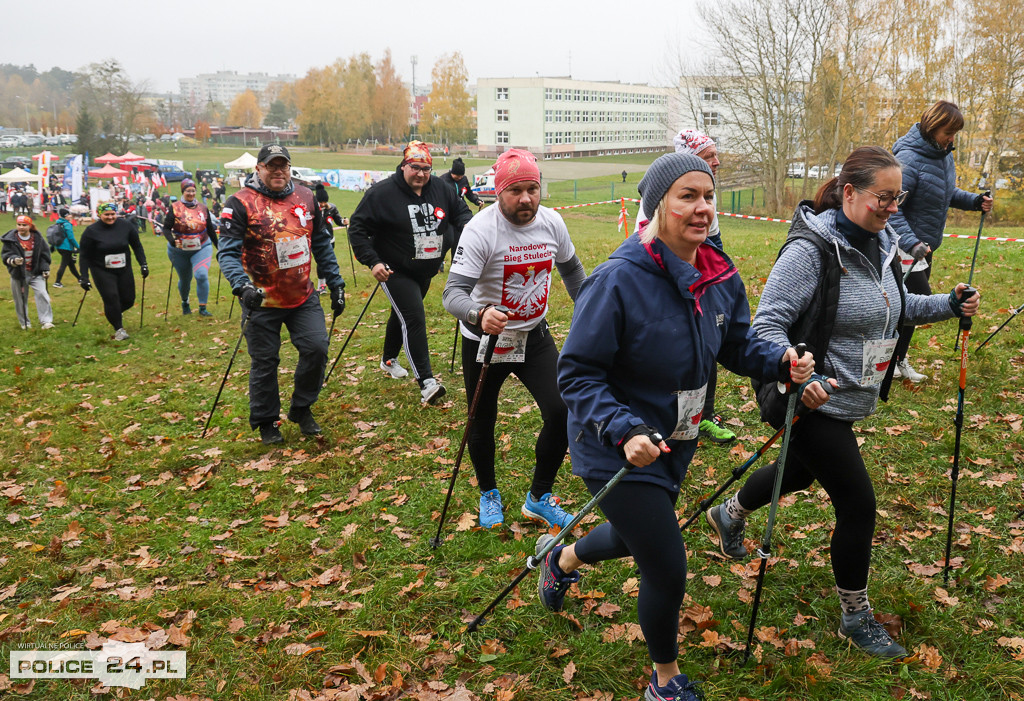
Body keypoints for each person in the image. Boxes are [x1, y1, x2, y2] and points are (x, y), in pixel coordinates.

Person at [547, 153, 814, 701]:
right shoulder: (618, 280)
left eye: (708, 196)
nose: (702, 208)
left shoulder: (716, 272)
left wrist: (780, 363)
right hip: (613, 444)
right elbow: (576, 372)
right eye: (687, 196)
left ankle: (562, 557)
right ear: (657, 206)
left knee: (635, 535)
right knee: (667, 562)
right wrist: (623, 429)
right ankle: (664, 683)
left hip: (674, 441)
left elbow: (737, 343)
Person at [705, 146, 980, 659]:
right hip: (806, 397)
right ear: (849, 192)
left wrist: (946, 303)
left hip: (850, 397)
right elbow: (766, 325)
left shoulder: (884, 243)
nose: (892, 207)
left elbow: (894, 308)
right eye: (884, 196)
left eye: (898, 198)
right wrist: (795, 367)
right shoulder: (811, 250)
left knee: (804, 472)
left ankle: (730, 513)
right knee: (858, 503)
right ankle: (855, 616)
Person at [442, 148, 588, 530]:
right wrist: (478, 313)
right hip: (486, 341)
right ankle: (488, 492)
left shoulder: (553, 223)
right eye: (515, 190)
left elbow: (573, 274)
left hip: (533, 336)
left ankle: (538, 498)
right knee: (481, 419)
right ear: (497, 191)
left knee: (562, 410)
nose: (526, 199)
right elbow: (452, 294)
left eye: (532, 189)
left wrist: (592, 309)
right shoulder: (480, 230)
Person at [217, 144, 346, 445]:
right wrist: (241, 286)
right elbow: (227, 253)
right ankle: (266, 421)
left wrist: (336, 283)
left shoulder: (305, 196)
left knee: (316, 349)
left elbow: (322, 243)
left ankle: (301, 409)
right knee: (265, 362)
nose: (278, 171)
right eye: (271, 165)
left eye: (283, 165)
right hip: (261, 299)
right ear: (258, 168)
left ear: (289, 168)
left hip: (302, 295)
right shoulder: (239, 203)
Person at [347, 141, 473, 405]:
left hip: (426, 268)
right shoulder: (381, 194)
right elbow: (357, 229)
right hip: (394, 269)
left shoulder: (442, 188)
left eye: (426, 168)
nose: (421, 174)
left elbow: (461, 214)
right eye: (415, 167)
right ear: (404, 165)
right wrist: (373, 262)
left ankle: (388, 359)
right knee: (414, 317)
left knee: (402, 313)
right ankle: (427, 382)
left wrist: (466, 235)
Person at [638, 129, 734, 444]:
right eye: (708, 156)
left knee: (708, 338)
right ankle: (651, 419)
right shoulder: (662, 195)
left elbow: (713, 244)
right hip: (661, 278)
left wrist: (718, 280)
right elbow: (645, 245)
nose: (717, 161)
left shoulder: (707, 198)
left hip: (695, 277)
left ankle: (703, 415)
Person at [889, 100, 993, 383]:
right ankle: (891, 362)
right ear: (933, 127)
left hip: (924, 248)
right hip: (903, 247)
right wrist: (911, 243)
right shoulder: (909, 159)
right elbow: (890, 208)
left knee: (909, 305)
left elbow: (944, 192)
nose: (952, 138)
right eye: (949, 132)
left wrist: (973, 200)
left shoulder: (943, 155)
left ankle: (895, 361)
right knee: (913, 303)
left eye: (955, 133)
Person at [79, 202, 148, 341]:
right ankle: (119, 329)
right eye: (106, 215)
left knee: (129, 299)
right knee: (111, 297)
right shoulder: (91, 231)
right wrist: (84, 277)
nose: (110, 217)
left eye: (113, 214)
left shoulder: (126, 226)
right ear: (99, 215)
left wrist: (143, 264)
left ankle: (113, 312)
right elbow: (84, 256)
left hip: (123, 268)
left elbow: (137, 246)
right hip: (101, 269)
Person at [163, 178, 218, 317]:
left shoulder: (203, 207)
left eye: (193, 190)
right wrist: (172, 241)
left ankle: (202, 307)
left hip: (202, 247)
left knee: (201, 275)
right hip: (180, 250)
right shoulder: (175, 207)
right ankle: (185, 302)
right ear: (183, 191)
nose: (191, 193)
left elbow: (210, 229)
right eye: (188, 190)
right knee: (185, 279)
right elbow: (166, 228)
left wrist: (219, 246)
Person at [2, 215, 54, 330]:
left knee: (42, 294)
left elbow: (44, 255)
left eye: (24, 225)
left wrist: (45, 268)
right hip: (19, 274)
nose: (21, 227)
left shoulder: (38, 238)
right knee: (20, 299)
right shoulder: (11, 240)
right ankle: (25, 323)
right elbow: (6, 256)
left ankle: (46, 322)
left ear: (30, 226)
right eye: (19, 225)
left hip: (36, 272)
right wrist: (14, 260)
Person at [314, 183, 348, 292]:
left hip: (330, 240)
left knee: (328, 262)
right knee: (320, 262)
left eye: (325, 202)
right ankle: (321, 285)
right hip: (316, 240)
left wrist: (344, 222)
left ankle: (331, 283)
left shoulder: (332, 208)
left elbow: (338, 221)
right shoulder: (313, 209)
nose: (323, 204)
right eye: (320, 202)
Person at [51, 207, 80, 288]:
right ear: (66, 216)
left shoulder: (57, 223)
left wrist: (53, 246)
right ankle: (57, 282)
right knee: (63, 264)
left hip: (59, 247)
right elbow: (71, 238)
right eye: (69, 215)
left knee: (71, 264)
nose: (70, 216)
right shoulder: (67, 224)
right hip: (66, 248)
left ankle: (79, 278)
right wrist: (78, 247)